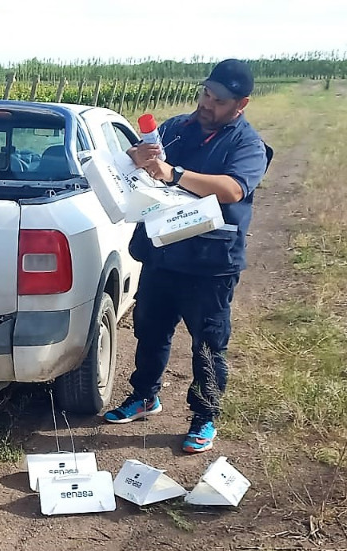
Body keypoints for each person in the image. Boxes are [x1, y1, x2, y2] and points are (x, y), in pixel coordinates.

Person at [104, 59, 272, 454]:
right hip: (163, 253)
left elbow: (232, 189)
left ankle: (204, 415)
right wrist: (137, 155)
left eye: (217, 100)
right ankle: (145, 395)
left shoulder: (247, 144)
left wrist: (173, 174)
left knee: (208, 344)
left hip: (211, 264)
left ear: (240, 104)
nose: (206, 104)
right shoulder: (177, 128)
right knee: (149, 330)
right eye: (205, 94)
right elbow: (142, 160)